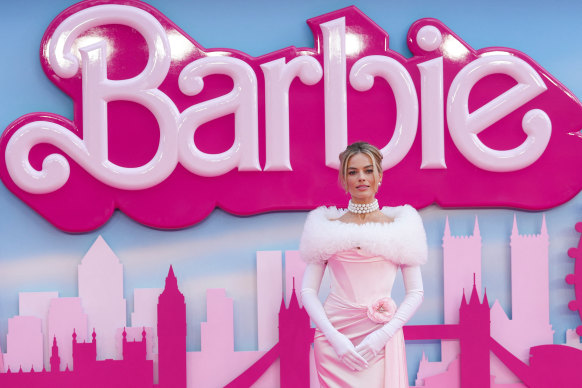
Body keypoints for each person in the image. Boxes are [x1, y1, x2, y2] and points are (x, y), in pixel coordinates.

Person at [300, 141, 427, 387]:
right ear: (343, 178)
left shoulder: (401, 226)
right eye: (353, 171)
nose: (361, 178)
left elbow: (416, 292)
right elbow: (307, 291)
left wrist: (383, 335)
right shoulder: (325, 227)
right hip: (334, 342)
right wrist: (333, 337)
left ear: (380, 175)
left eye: (368, 170)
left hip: (380, 341)